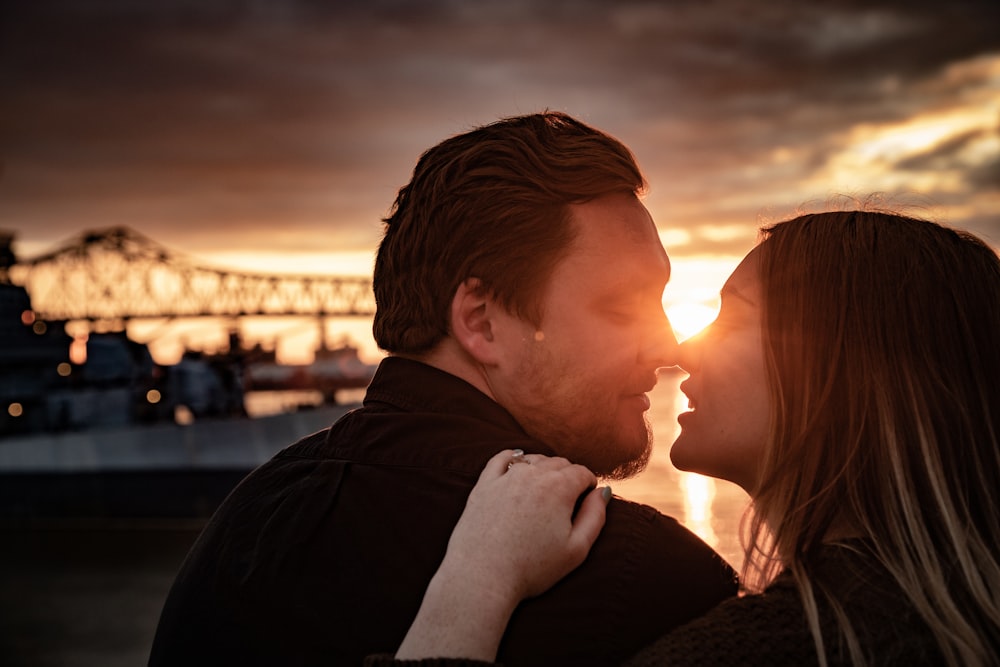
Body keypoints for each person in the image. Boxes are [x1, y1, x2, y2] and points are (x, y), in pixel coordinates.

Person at [148, 112, 737, 667]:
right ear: (481, 321)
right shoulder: (643, 578)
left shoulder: (244, 524)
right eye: (620, 306)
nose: (668, 348)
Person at [373, 209, 1000, 666]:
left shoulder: (751, 650)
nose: (684, 348)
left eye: (734, 318)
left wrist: (475, 584)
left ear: (843, 370)